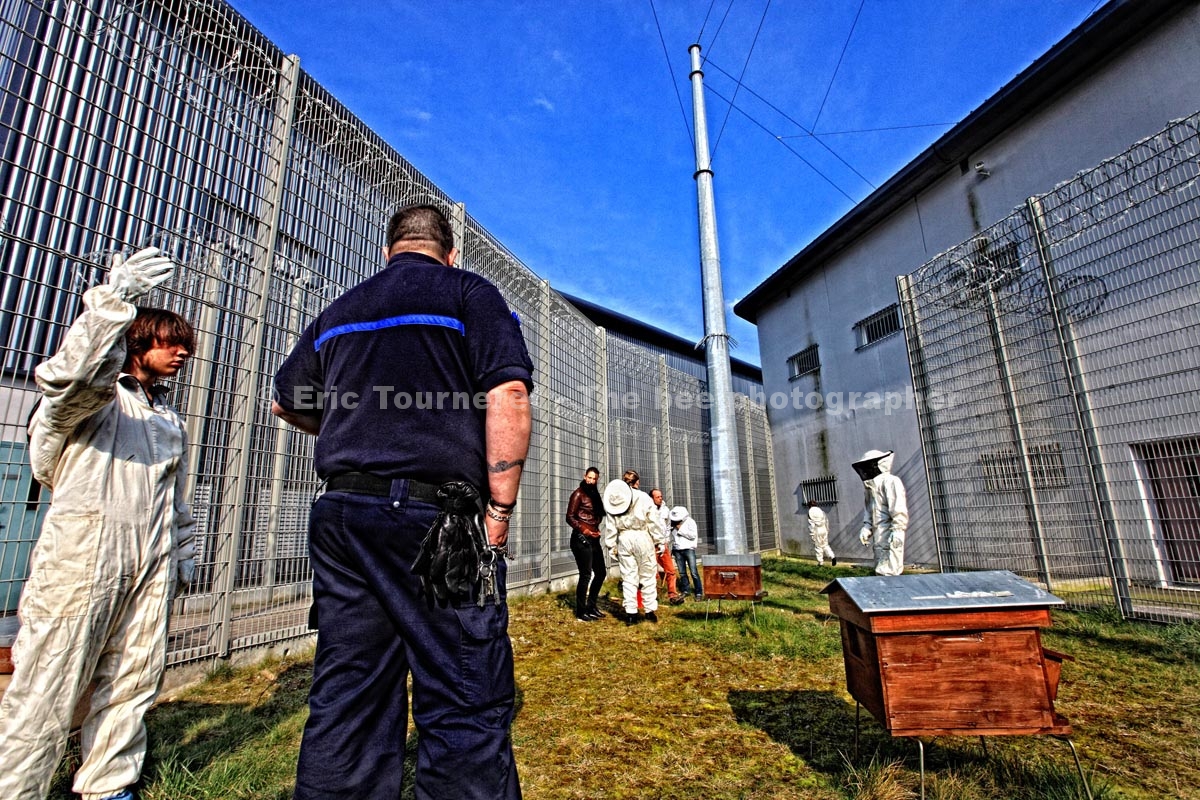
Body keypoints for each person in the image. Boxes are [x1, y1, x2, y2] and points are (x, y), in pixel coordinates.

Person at [272, 204, 533, 800]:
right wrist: (498, 512)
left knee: (350, 689)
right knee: (463, 685)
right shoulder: (469, 293)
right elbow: (509, 393)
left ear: (388, 250)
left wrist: (353, 425)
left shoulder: (343, 310)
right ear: (451, 251)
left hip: (344, 516)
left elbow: (285, 402)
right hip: (436, 521)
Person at [0, 248, 196, 800]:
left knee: (133, 679)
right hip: (83, 556)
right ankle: (18, 789)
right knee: (49, 683)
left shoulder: (165, 417)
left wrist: (180, 553)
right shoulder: (94, 402)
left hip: (147, 562)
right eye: (170, 341)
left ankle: (109, 783)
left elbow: (173, 497)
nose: (182, 352)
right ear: (137, 342)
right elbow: (72, 376)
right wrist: (115, 301)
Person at [600, 470, 661, 625]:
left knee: (629, 577)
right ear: (637, 482)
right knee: (647, 574)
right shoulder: (645, 498)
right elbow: (653, 521)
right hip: (642, 536)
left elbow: (611, 525)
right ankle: (649, 611)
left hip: (624, 538)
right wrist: (659, 540)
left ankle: (631, 614)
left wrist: (611, 544)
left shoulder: (616, 498)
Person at [853, 449, 908, 576]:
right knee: (880, 569)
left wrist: (898, 530)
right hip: (879, 535)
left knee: (890, 571)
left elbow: (898, 508)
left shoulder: (891, 481)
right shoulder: (870, 487)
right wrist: (867, 526)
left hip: (890, 532)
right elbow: (869, 509)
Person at [567, 466, 606, 621]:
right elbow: (569, 517)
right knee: (586, 575)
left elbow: (596, 515)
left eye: (594, 478)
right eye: (589, 477)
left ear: (597, 479)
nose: (590, 480)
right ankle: (581, 612)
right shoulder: (578, 494)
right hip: (581, 539)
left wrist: (595, 528)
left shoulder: (594, 494)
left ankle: (591, 606)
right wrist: (585, 530)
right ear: (584, 477)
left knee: (601, 572)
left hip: (594, 538)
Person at [650, 488, 683, 604]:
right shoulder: (648, 509)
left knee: (670, 570)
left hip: (663, 545)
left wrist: (665, 541)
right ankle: (652, 597)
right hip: (651, 544)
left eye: (661, 496)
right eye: (657, 497)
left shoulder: (665, 510)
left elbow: (668, 527)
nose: (660, 498)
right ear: (652, 498)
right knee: (652, 572)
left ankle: (673, 595)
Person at [669, 506, 703, 599]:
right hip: (677, 550)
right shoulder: (673, 524)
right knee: (682, 572)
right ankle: (685, 590)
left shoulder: (690, 522)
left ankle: (698, 592)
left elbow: (692, 536)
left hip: (689, 549)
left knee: (694, 572)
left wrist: (680, 529)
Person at [807, 500, 836, 566]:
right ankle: (832, 556)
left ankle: (820, 562)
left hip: (817, 530)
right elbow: (826, 520)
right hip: (824, 529)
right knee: (825, 544)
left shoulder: (810, 512)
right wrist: (827, 530)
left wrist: (812, 535)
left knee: (818, 546)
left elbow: (811, 525)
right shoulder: (821, 511)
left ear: (809, 505)